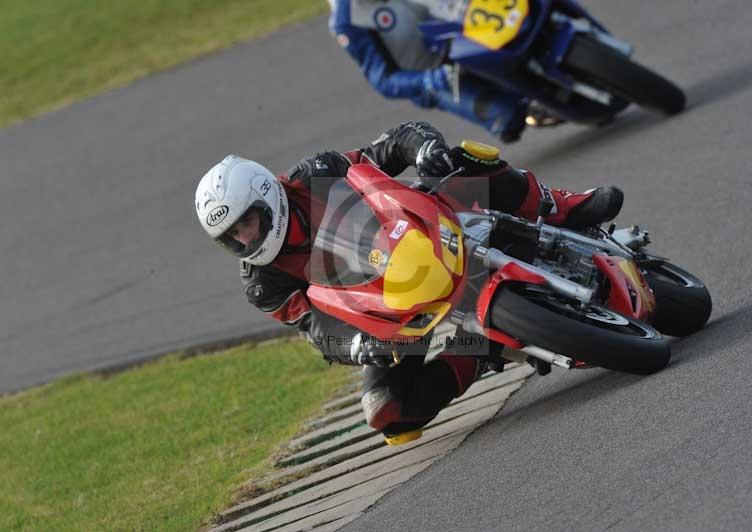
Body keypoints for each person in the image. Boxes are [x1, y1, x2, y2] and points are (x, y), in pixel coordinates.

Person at [194, 121, 622, 444]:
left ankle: (563, 205)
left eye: (247, 222)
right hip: (390, 315)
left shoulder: (314, 175)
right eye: (231, 236)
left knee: (463, 161)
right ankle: (480, 351)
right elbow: (315, 329)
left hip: (415, 233)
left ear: (265, 195)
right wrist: (357, 346)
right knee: (388, 413)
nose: (244, 238)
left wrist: (425, 149)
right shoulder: (261, 282)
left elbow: (392, 144)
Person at [327, 0, 532, 143]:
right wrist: (426, 80)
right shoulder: (347, 22)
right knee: (506, 116)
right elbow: (383, 80)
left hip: (462, 30)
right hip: (433, 74)